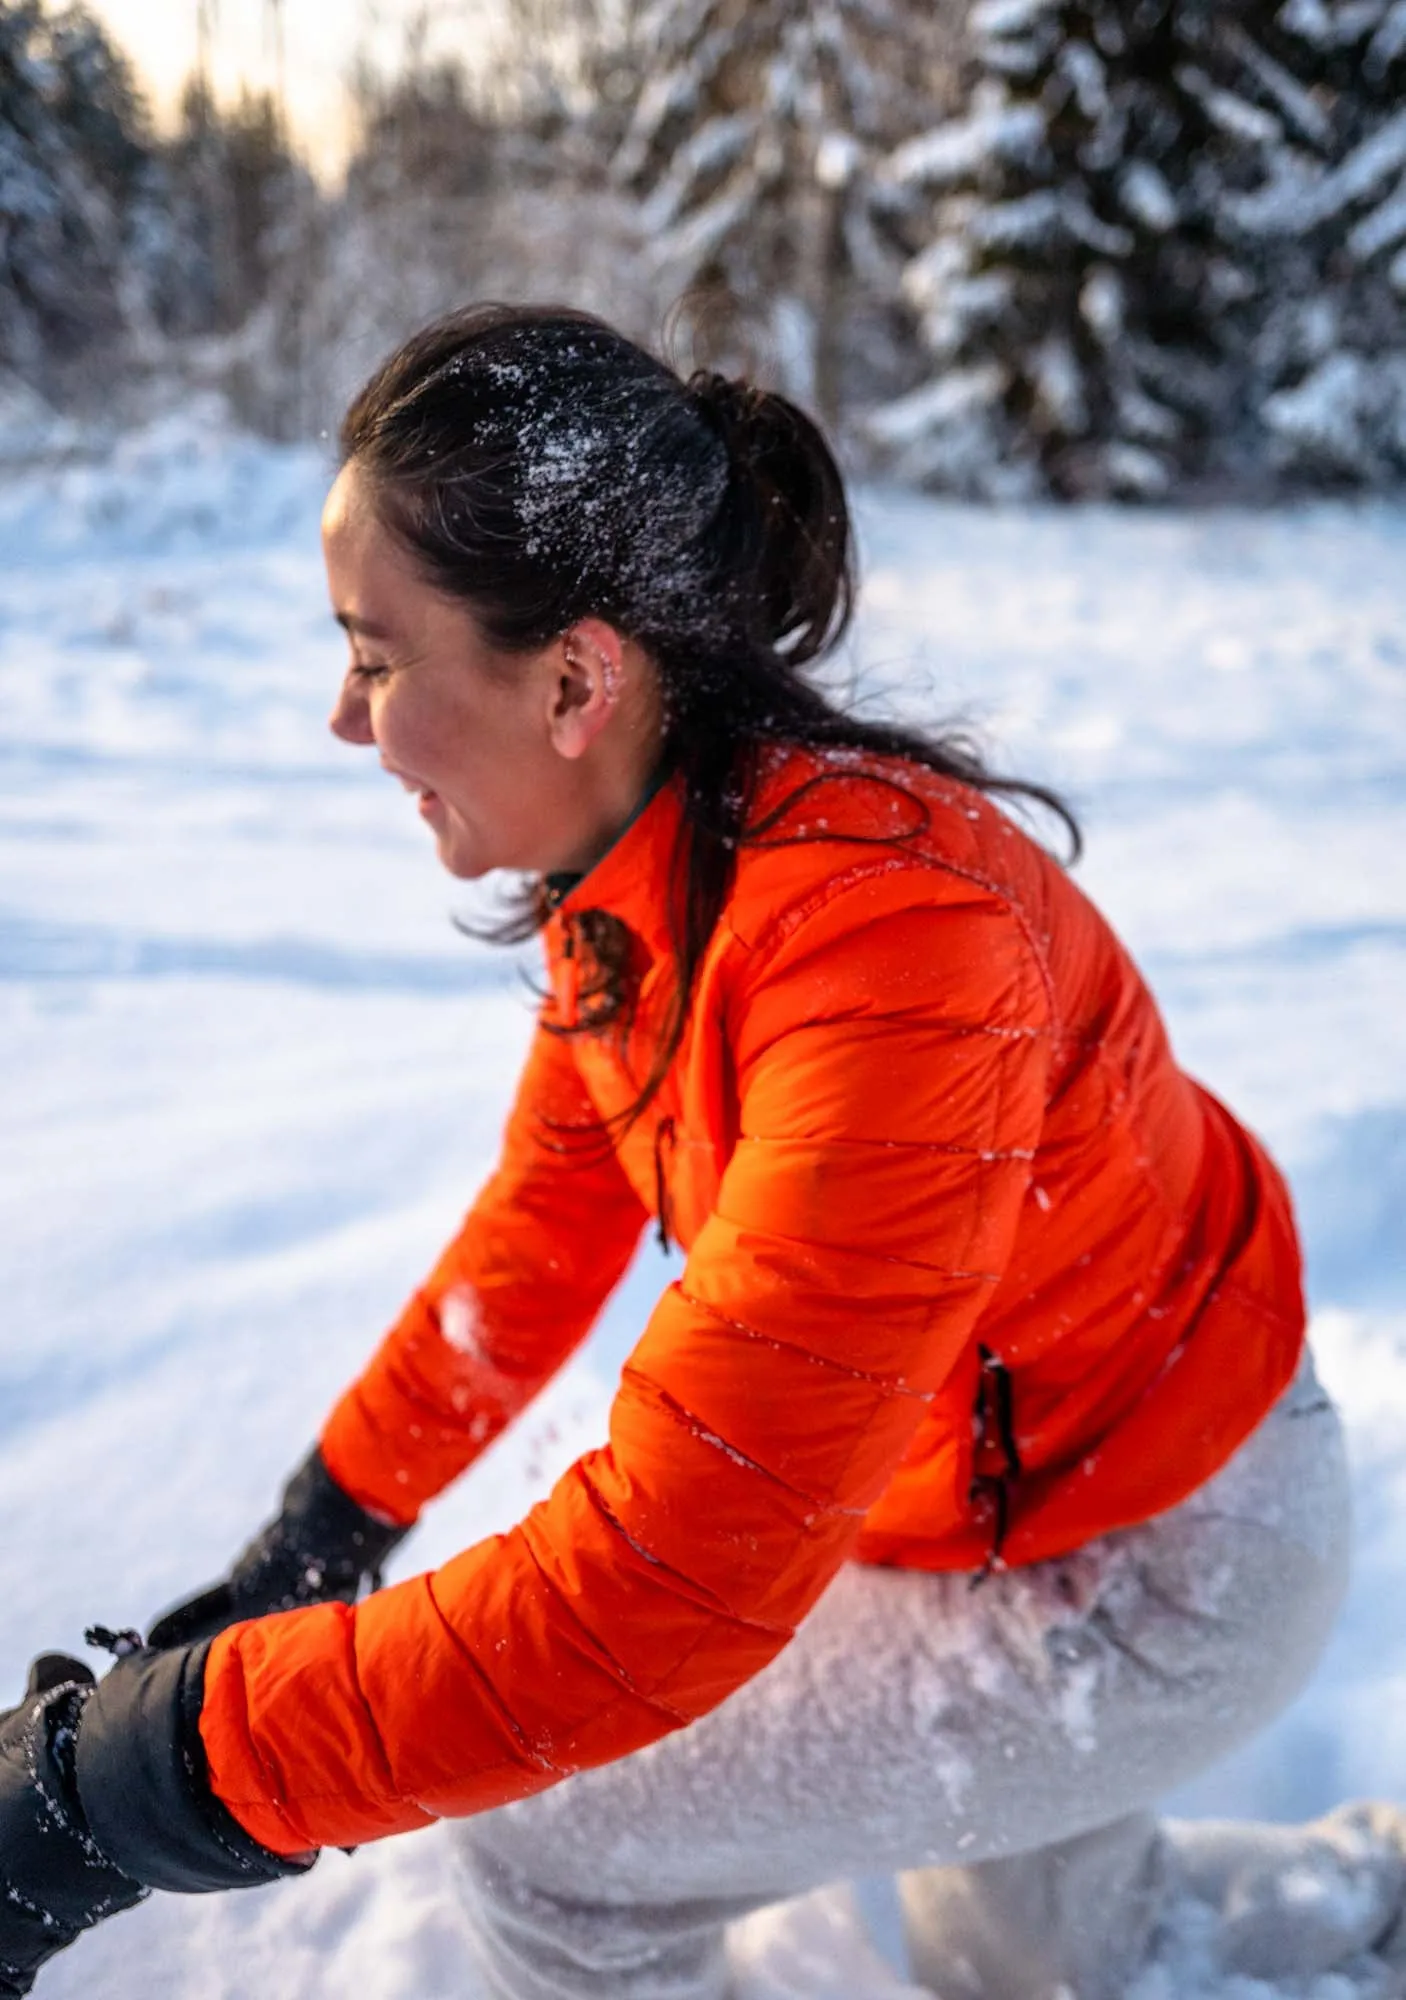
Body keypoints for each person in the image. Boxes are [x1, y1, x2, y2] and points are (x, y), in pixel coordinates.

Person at [0, 304, 1393, 2000]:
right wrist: (320, 1534)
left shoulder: (893, 954)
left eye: (374, 654)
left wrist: (123, 1786)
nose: (344, 722)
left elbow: (662, 1585)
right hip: (991, 1488)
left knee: (560, 1840)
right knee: (1044, 1957)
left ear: (579, 678)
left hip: (1161, 1551)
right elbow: (535, 1236)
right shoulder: (654, 885)